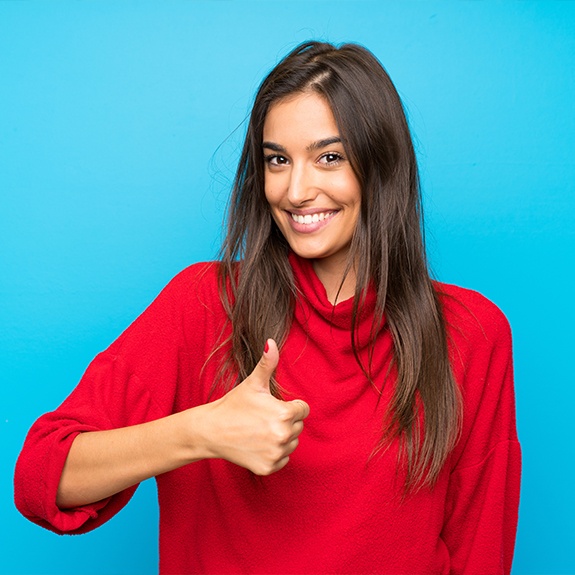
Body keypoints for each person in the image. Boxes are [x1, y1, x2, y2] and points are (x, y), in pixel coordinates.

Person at [14, 41, 521, 574]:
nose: (296, 190)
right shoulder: (203, 305)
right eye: (278, 160)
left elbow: (479, 547)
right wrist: (199, 432)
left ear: (380, 164)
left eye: (330, 157)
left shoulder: (470, 332)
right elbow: (41, 478)